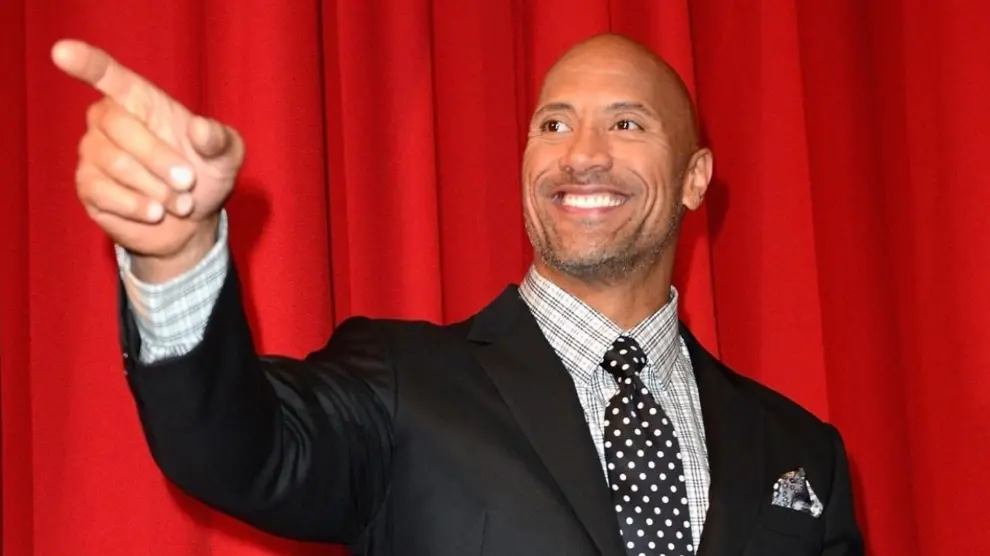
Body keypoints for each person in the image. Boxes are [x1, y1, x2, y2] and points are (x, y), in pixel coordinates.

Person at [53, 33, 863, 556]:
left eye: (626, 125)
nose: (581, 155)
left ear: (694, 178)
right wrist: (178, 254)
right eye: (553, 125)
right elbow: (233, 450)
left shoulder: (802, 452)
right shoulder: (402, 383)